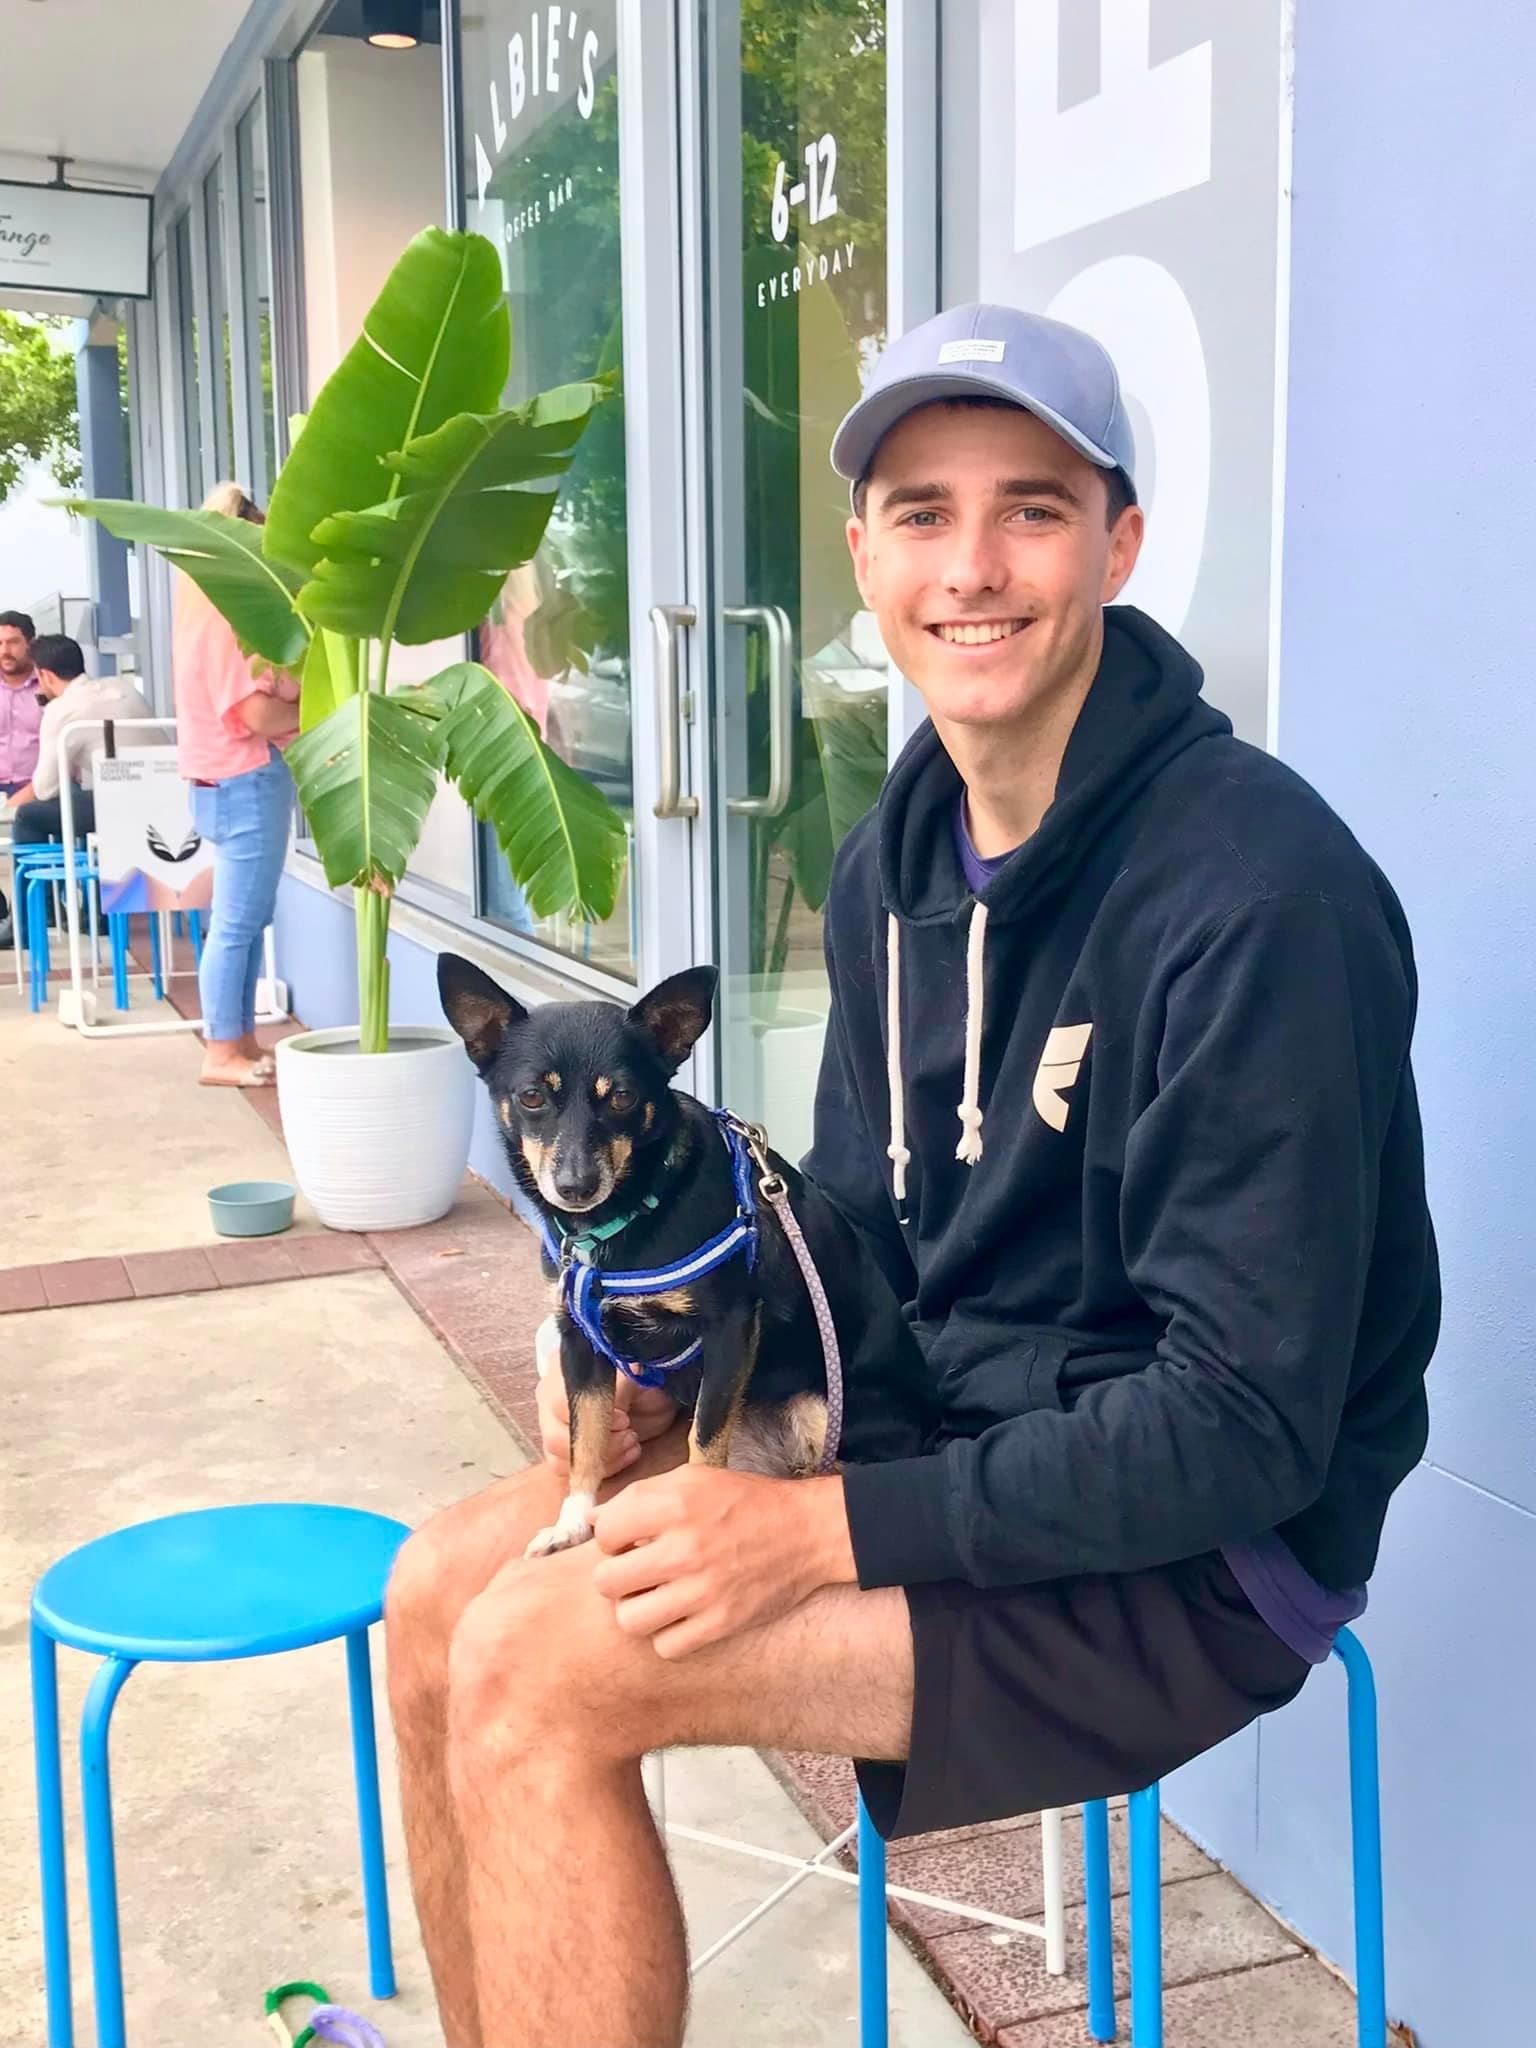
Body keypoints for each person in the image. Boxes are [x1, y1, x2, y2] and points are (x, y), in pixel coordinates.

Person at [382, 305, 1440, 2048]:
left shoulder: (1261, 898)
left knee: (539, 1663)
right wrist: (696, 1393)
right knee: (438, 1590)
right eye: (923, 511)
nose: (974, 565)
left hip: (1201, 1549)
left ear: (1119, 541)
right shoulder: (895, 860)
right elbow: (858, 1232)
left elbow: (1242, 1424)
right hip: (940, 1425)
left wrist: (806, 1522)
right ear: (865, 554)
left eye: (1030, 507)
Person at [174, 482, 299, 1088]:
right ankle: (221, 1049)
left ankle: (239, 1039)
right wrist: (322, 717)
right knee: (236, 921)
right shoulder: (226, 613)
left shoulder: (197, 600)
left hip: (222, 778)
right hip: (243, 776)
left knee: (245, 917)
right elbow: (255, 715)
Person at [4, 634, 155, 849]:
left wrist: (7, 808)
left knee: (28, 816)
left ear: (45, 675)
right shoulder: (122, 686)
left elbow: (46, 789)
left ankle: (43, 883)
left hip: (121, 805)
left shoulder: (61, 709)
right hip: (164, 792)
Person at [0, 609, 42, 948]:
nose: (5, 650)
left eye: (13, 642)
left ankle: (26, 919)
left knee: (27, 837)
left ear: (30, 643)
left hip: (36, 784)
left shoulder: (49, 684)